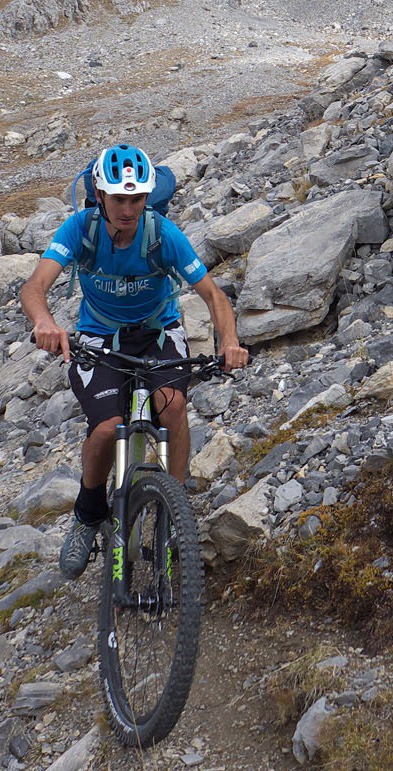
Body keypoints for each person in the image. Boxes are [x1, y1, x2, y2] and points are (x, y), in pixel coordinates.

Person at [20, 142, 248, 579]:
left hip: (158, 334)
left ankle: (175, 510)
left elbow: (214, 295)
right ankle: (89, 513)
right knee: (106, 427)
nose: (129, 208)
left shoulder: (162, 234)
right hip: (99, 337)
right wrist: (46, 322)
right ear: (100, 195)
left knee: (173, 405)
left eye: (137, 198)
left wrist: (230, 341)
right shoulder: (79, 229)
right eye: (120, 198)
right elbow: (34, 286)